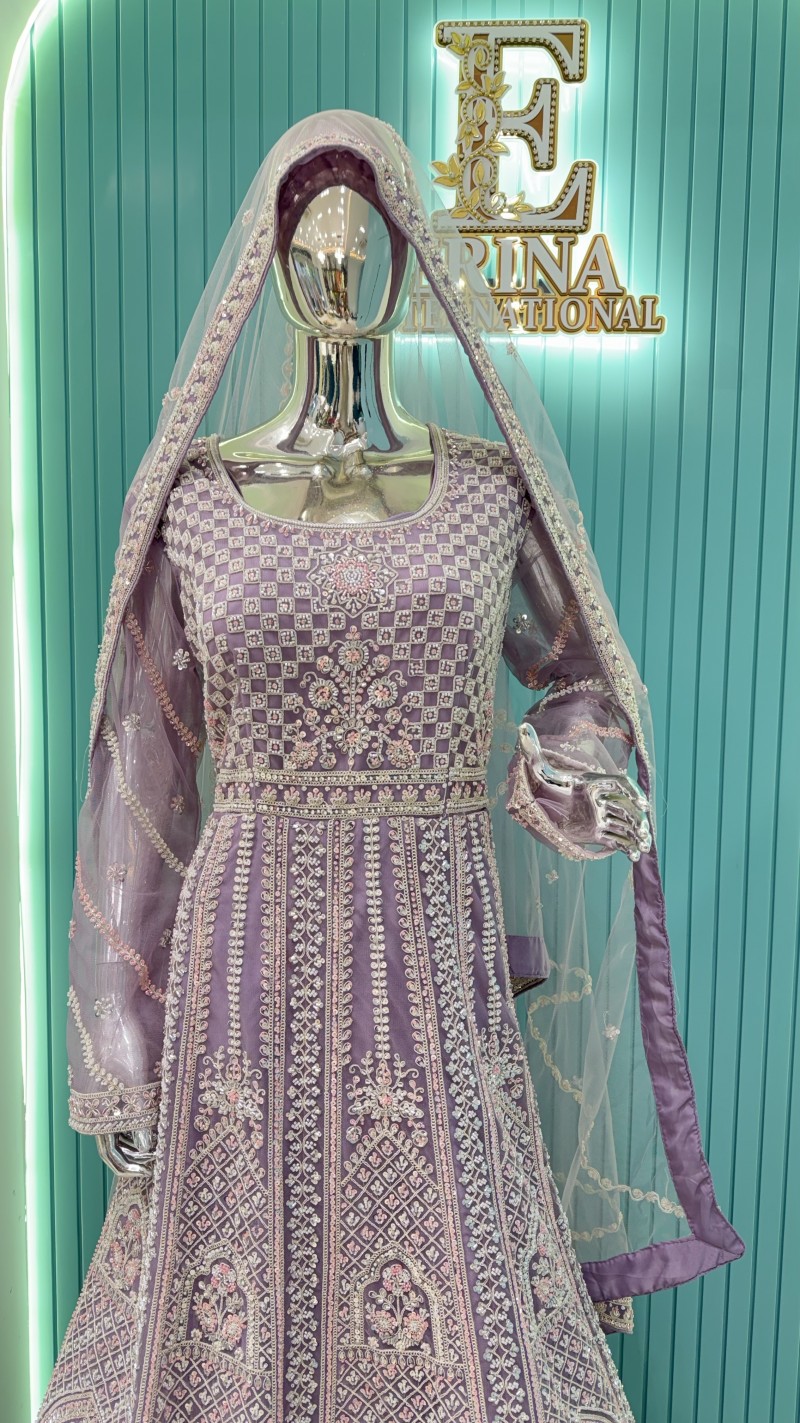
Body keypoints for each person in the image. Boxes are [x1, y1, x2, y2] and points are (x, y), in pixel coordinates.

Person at [37, 109, 742, 1423]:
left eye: (369, 243)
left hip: (430, 948)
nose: (342, 267)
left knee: (454, 1265)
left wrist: (572, 770)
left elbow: (581, 677)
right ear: (272, 269)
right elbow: (142, 777)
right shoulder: (197, 501)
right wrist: (121, 1042)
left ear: (414, 267)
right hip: (241, 955)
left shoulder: (483, 495)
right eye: (314, 244)